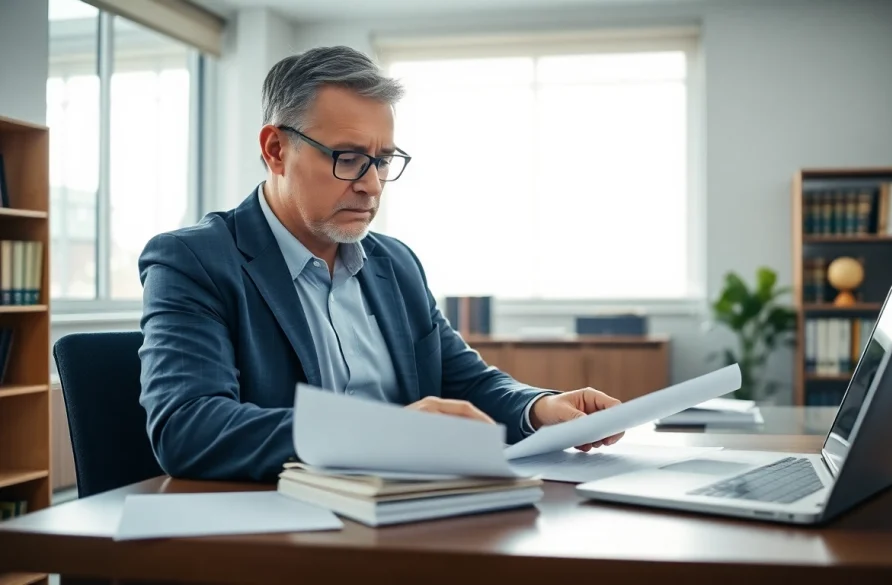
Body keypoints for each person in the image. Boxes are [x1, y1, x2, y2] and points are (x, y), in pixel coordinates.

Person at [137, 45, 624, 482]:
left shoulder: (396, 263)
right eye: (348, 158)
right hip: (283, 531)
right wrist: (386, 433)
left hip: (410, 509)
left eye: (383, 160)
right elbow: (188, 426)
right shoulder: (193, 260)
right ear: (276, 150)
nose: (371, 185)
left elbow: (465, 383)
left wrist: (538, 407)